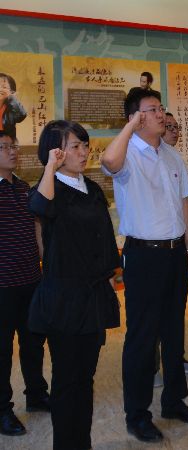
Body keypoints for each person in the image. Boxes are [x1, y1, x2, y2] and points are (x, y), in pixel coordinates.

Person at [101, 89, 188, 443]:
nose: (161, 114)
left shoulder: (172, 155)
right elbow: (109, 161)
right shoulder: (127, 153)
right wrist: (130, 127)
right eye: (152, 110)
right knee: (142, 338)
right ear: (136, 117)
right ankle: (137, 415)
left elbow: (183, 204)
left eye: (161, 108)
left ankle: (174, 401)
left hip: (175, 253)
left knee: (174, 332)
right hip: (144, 255)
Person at [28, 120, 120, 449]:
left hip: (93, 296)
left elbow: (105, 237)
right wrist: (49, 168)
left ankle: (82, 442)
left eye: (85, 145)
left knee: (85, 378)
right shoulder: (49, 189)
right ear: (56, 151)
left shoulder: (91, 188)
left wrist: (110, 276)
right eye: (75, 146)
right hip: (64, 300)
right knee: (67, 381)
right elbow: (40, 207)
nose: (84, 152)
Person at [0, 131, 49, 437]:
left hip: (31, 281)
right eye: (4, 147)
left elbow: (36, 229)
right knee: (2, 351)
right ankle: (3, 410)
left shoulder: (23, 187)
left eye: (13, 146)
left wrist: (46, 264)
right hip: (2, 287)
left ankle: (37, 395)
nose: (12, 151)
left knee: (33, 343)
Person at [151, 113, 188, 388]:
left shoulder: (175, 159)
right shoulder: (145, 160)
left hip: (178, 247)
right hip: (153, 250)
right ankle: (152, 366)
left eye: (175, 127)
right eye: (167, 126)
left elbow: (187, 207)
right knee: (153, 313)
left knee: (175, 310)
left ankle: (175, 359)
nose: (172, 130)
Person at [0, 73, 27, 140]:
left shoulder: (11, 106)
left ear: (12, 92)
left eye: (4, 87)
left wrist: (12, 99)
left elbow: (21, 116)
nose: (0, 89)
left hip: (7, 139)